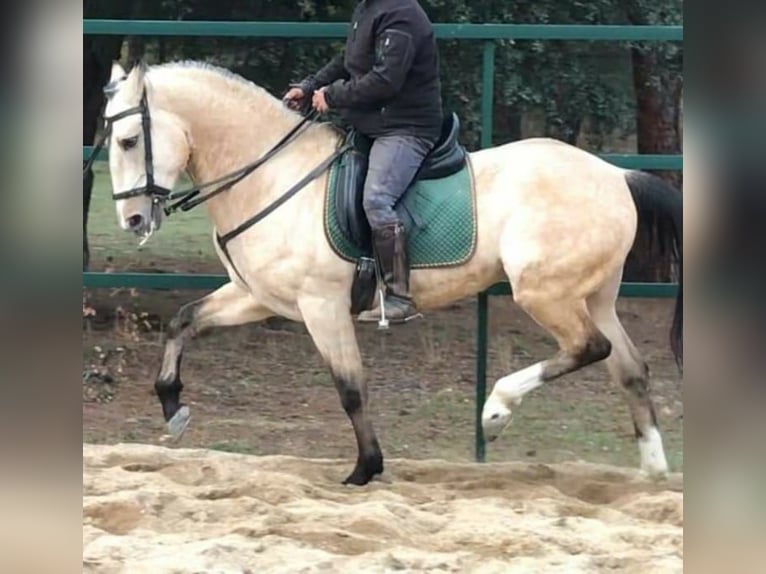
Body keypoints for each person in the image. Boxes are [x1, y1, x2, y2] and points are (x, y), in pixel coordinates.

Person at [284, 0, 443, 324]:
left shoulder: (402, 14)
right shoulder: (368, 9)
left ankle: (399, 296)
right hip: (372, 124)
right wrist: (310, 86)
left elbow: (386, 80)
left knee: (377, 198)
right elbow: (350, 62)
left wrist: (333, 96)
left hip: (405, 127)